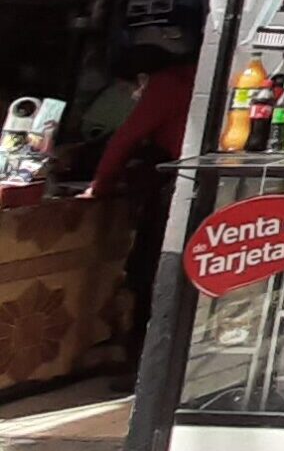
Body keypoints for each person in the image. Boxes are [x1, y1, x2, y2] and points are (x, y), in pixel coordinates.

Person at [83, 44, 195, 378]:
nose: (133, 95)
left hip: (176, 187)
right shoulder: (193, 76)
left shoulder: (165, 85)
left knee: (148, 273)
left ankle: (140, 366)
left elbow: (127, 137)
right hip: (195, 186)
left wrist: (99, 185)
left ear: (143, 77)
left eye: (132, 88)